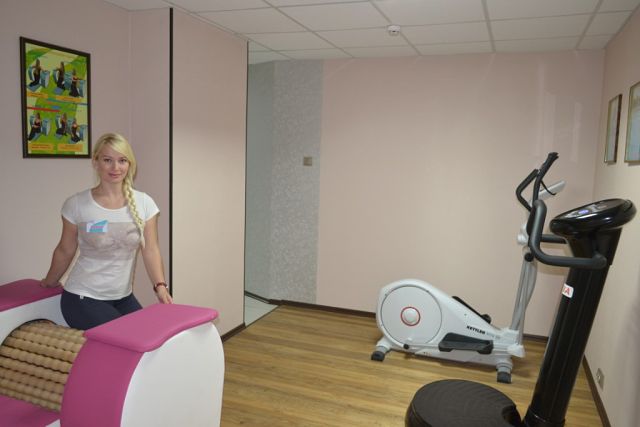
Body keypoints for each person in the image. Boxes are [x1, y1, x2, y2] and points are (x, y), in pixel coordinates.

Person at [41, 132, 172, 330]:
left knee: (149, 333)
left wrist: (160, 287)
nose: (115, 167)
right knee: (128, 337)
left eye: (122, 160)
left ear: (129, 164)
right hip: (82, 297)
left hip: (123, 298)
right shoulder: (77, 204)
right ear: (96, 162)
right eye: (107, 160)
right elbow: (65, 250)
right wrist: (49, 282)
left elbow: (151, 250)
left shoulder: (144, 203)